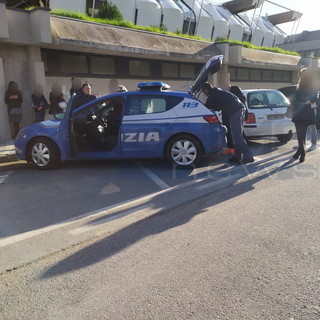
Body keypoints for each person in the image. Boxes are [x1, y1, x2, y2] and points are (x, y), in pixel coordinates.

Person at [202, 82, 254, 164]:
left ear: (206, 90)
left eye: (203, 91)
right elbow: (216, 106)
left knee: (237, 136)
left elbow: (209, 106)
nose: (203, 93)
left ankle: (248, 157)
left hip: (236, 111)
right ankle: (237, 156)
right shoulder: (216, 92)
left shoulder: (214, 95)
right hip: (237, 109)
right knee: (235, 135)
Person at [291, 69, 320, 162]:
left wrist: (297, 102)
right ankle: (299, 152)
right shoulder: (313, 87)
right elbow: (314, 100)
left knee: (300, 134)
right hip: (307, 113)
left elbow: (296, 100)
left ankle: (302, 152)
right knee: (300, 134)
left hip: (301, 113)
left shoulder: (302, 87)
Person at [219, 73, 247, 155]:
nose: (223, 83)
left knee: (237, 134)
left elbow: (242, 99)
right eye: (221, 81)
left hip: (235, 114)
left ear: (228, 81)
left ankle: (239, 152)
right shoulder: (221, 91)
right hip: (226, 115)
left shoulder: (235, 89)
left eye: (224, 81)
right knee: (228, 132)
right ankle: (230, 148)